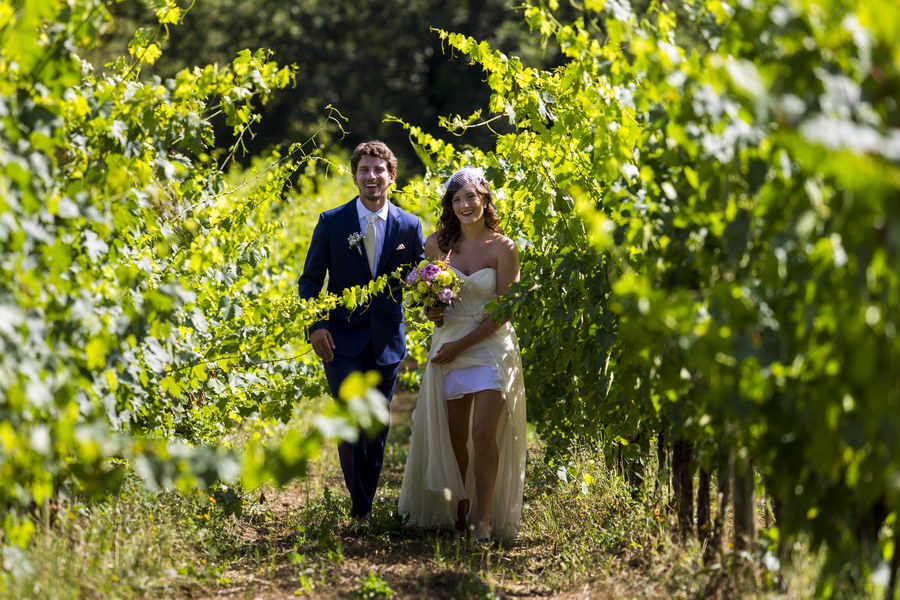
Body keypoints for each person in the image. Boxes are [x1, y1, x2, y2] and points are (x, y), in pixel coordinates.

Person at [298, 141, 425, 529]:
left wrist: (436, 297)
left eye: (378, 170)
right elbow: (309, 282)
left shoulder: (409, 225)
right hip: (340, 339)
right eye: (364, 170)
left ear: (391, 176)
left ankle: (364, 501)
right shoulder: (331, 222)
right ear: (354, 176)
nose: (372, 176)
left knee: (377, 425)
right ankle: (361, 509)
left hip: (386, 341)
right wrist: (316, 326)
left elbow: (420, 281)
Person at [398, 166, 526, 542]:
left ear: (485, 199)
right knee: (456, 439)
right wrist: (433, 312)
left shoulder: (504, 248)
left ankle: (484, 518)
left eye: (470, 196)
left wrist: (459, 345)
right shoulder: (437, 244)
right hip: (449, 345)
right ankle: (461, 500)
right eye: (457, 199)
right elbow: (433, 305)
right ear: (450, 205)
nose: (465, 204)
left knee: (483, 433)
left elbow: (504, 312)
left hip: (489, 347)